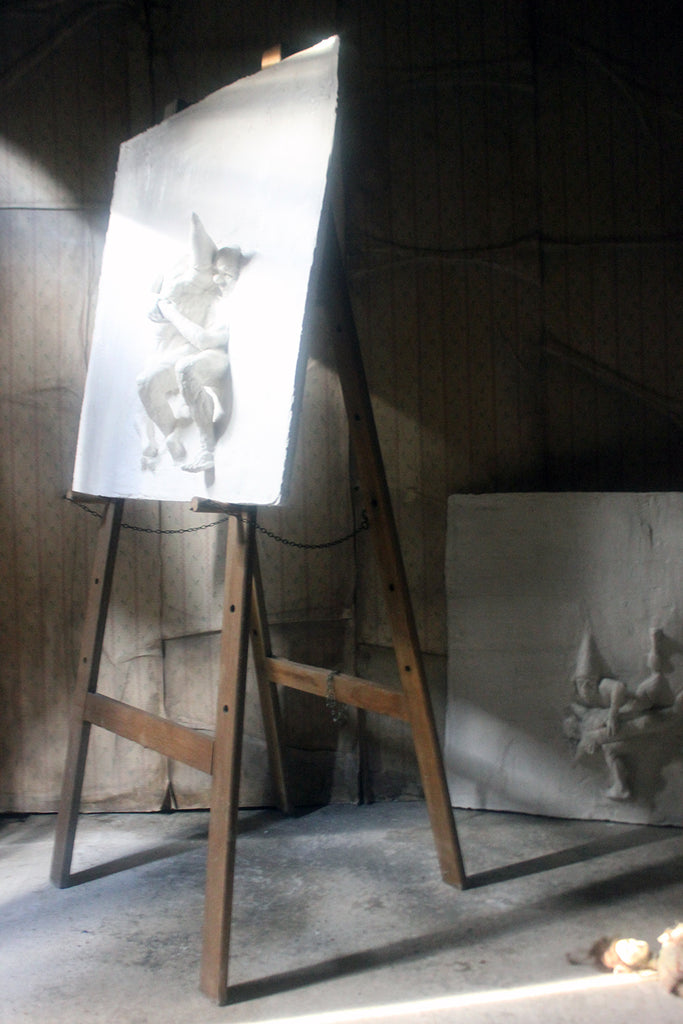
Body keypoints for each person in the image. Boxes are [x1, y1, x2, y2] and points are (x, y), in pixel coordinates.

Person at [136, 213, 249, 473]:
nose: (219, 279)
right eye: (217, 272)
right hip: (195, 349)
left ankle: (205, 449)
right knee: (145, 382)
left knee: (186, 368)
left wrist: (170, 312)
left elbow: (204, 339)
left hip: (213, 354)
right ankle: (172, 434)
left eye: (227, 273)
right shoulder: (209, 294)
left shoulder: (230, 305)